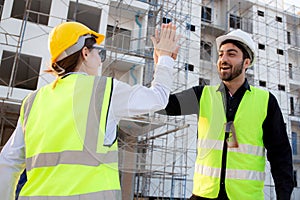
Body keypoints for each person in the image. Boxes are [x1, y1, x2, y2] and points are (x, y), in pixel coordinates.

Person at [0, 21, 180, 199]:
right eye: (99, 53)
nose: (101, 61)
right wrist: (164, 58)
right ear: (85, 53)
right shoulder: (104, 90)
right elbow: (158, 98)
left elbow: (8, 163)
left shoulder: (33, 101)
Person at [157, 29, 294, 199]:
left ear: (246, 62)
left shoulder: (265, 101)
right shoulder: (202, 95)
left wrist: (284, 196)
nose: (223, 59)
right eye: (221, 54)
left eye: (231, 54)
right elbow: (161, 104)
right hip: (203, 195)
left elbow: (280, 155)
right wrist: (163, 62)